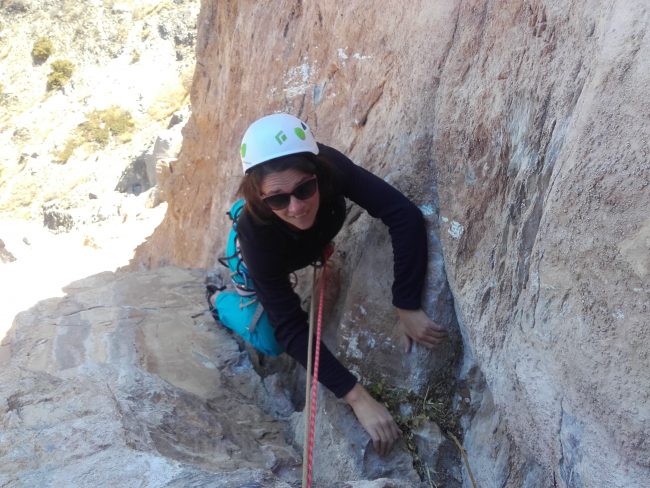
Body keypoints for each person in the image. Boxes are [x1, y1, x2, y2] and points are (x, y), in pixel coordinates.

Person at [230, 113, 447, 456]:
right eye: (277, 199)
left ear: (317, 173)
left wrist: (405, 303)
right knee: (269, 339)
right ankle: (218, 303)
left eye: (304, 189)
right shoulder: (254, 233)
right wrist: (357, 397)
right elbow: (290, 329)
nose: (297, 206)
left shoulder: (330, 167)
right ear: (259, 198)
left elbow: (402, 214)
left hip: (307, 245)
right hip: (266, 254)